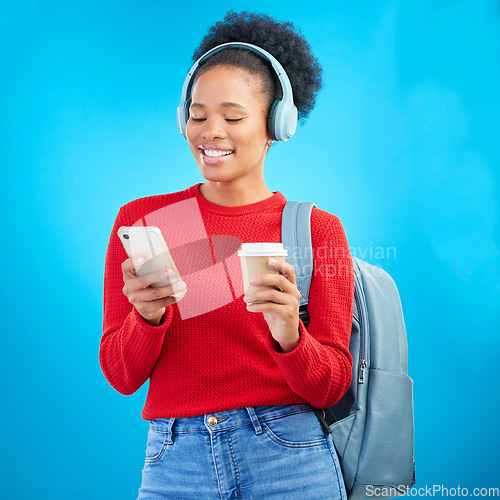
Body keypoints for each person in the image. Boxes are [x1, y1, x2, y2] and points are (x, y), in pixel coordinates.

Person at [100, 11, 354, 500]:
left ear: (277, 123)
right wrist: (148, 317)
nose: (210, 132)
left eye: (233, 117)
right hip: (176, 459)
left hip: (289, 455)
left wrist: (288, 333)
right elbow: (121, 375)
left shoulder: (315, 230)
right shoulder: (147, 221)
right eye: (197, 115)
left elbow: (330, 388)